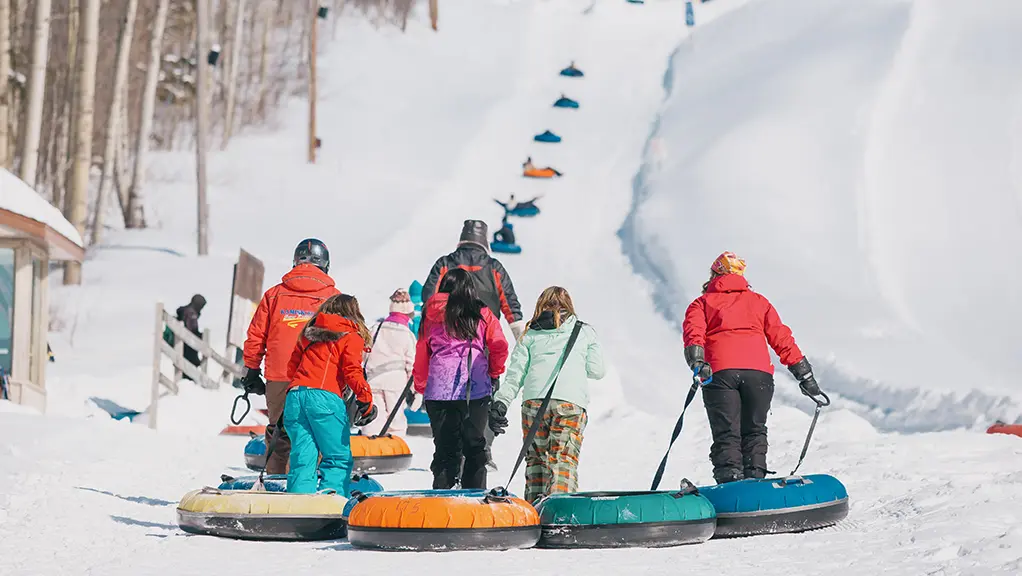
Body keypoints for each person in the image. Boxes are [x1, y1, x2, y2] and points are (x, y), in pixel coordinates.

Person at [682, 251, 823, 484]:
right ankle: (756, 485)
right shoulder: (759, 302)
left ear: (714, 274)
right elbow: (782, 339)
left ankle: (731, 486)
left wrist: (697, 362)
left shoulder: (702, 303)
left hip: (720, 373)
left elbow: (693, 334)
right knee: (755, 431)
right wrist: (805, 375)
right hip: (759, 375)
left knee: (727, 433)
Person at [489, 286, 605, 504]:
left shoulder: (530, 333)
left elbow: (515, 374)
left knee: (536, 461)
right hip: (570, 404)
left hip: (533, 404)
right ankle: (560, 512)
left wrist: (501, 401)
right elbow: (597, 370)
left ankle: (535, 513)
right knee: (563, 460)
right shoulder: (584, 331)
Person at [240, 239, 340, 474]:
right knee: (315, 433)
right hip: (319, 378)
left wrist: (252, 370)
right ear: (325, 265)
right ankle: (306, 487)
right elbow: (345, 338)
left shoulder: (274, 295)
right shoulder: (334, 298)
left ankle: (276, 484)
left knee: (279, 432)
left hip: (279, 375)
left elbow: (256, 336)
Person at [413, 269, 509, 489]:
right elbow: (500, 345)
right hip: (474, 390)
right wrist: (494, 372)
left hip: (438, 390)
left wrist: (421, 384)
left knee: (445, 451)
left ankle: (443, 503)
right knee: (475, 449)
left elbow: (422, 351)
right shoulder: (481, 312)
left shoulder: (430, 313)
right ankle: (473, 504)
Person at [284, 294, 378, 495]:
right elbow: (352, 371)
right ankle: (332, 506)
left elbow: (291, 369)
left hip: (295, 396)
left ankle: (298, 508)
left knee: (303, 458)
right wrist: (366, 401)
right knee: (337, 458)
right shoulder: (351, 336)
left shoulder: (307, 334)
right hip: (324, 398)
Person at [361, 288, 417, 437]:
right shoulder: (407, 335)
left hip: (373, 381)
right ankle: (395, 448)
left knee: (374, 418)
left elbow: (363, 354)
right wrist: (416, 390)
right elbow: (412, 366)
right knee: (396, 418)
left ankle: (370, 448)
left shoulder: (375, 329)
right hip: (396, 383)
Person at [176, 294, 206, 377]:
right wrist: (200, 336)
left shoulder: (185, 311)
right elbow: (191, 331)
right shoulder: (191, 313)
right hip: (188, 346)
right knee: (191, 367)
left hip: (183, 346)